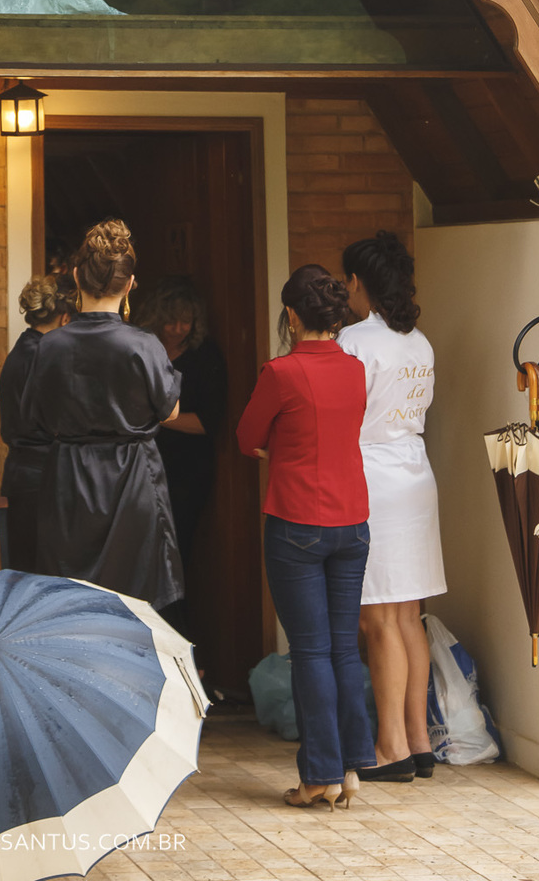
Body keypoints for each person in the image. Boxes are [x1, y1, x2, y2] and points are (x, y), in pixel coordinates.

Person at [236, 265, 373, 810]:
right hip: (353, 521)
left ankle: (319, 776)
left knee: (311, 651)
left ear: (291, 315)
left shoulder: (281, 372)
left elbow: (248, 437)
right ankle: (349, 768)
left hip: (297, 521)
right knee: (343, 648)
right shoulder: (356, 369)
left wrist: (278, 443)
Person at [24, 219, 183, 612]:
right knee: (135, 607)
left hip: (68, 482)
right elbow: (170, 411)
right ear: (130, 285)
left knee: (68, 607)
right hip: (132, 480)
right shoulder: (143, 345)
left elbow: (33, 416)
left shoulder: (49, 346)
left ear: (77, 277)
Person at [339, 231, 445, 783]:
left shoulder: (354, 340)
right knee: (407, 615)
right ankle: (419, 743)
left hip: (373, 475)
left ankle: (390, 746)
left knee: (377, 617)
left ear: (358, 282)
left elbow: (340, 412)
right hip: (415, 474)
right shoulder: (419, 342)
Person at [141, 283, 227, 639]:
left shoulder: (204, 356)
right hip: (142, 469)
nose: (179, 328)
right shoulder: (144, 349)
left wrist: (158, 417)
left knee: (175, 557)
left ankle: (176, 636)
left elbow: (208, 422)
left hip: (187, 472)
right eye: (171, 321)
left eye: (186, 321)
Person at [0, 272, 76, 571]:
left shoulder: (23, 351)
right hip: (42, 479)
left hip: (23, 476)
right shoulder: (44, 357)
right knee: (43, 574)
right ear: (65, 319)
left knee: (28, 571)